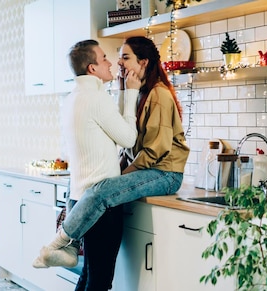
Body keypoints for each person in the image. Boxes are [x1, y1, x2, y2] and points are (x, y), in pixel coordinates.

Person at [34, 36, 190, 271]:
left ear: (144, 63)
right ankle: (69, 246)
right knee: (89, 188)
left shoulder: (159, 94)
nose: (118, 62)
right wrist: (124, 91)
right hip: (148, 169)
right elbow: (122, 134)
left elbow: (153, 151)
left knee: (102, 190)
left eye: (125, 57)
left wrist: (119, 176)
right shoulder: (136, 92)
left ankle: (60, 243)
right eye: (116, 57)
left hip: (165, 173)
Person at [30, 39, 140, 291]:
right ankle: (54, 247)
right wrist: (132, 92)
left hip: (79, 199)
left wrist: (123, 91)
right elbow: (128, 138)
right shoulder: (96, 98)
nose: (110, 62)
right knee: (100, 281)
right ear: (92, 68)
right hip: (101, 204)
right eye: (103, 58)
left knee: (89, 275)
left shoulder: (74, 97)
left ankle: (56, 247)